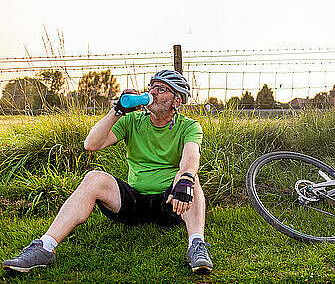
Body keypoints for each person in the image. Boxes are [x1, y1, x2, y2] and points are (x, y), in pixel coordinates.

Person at [2, 70, 213, 274]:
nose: (153, 92)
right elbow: (91, 144)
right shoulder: (132, 121)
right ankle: (44, 247)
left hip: (172, 204)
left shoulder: (189, 126)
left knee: (189, 177)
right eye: (152, 87)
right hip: (134, 203)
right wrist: (117, 111)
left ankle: (196, 244)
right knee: (94, 178)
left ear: (176, 101)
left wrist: (185, 178)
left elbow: (191, 155)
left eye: (161, 89)